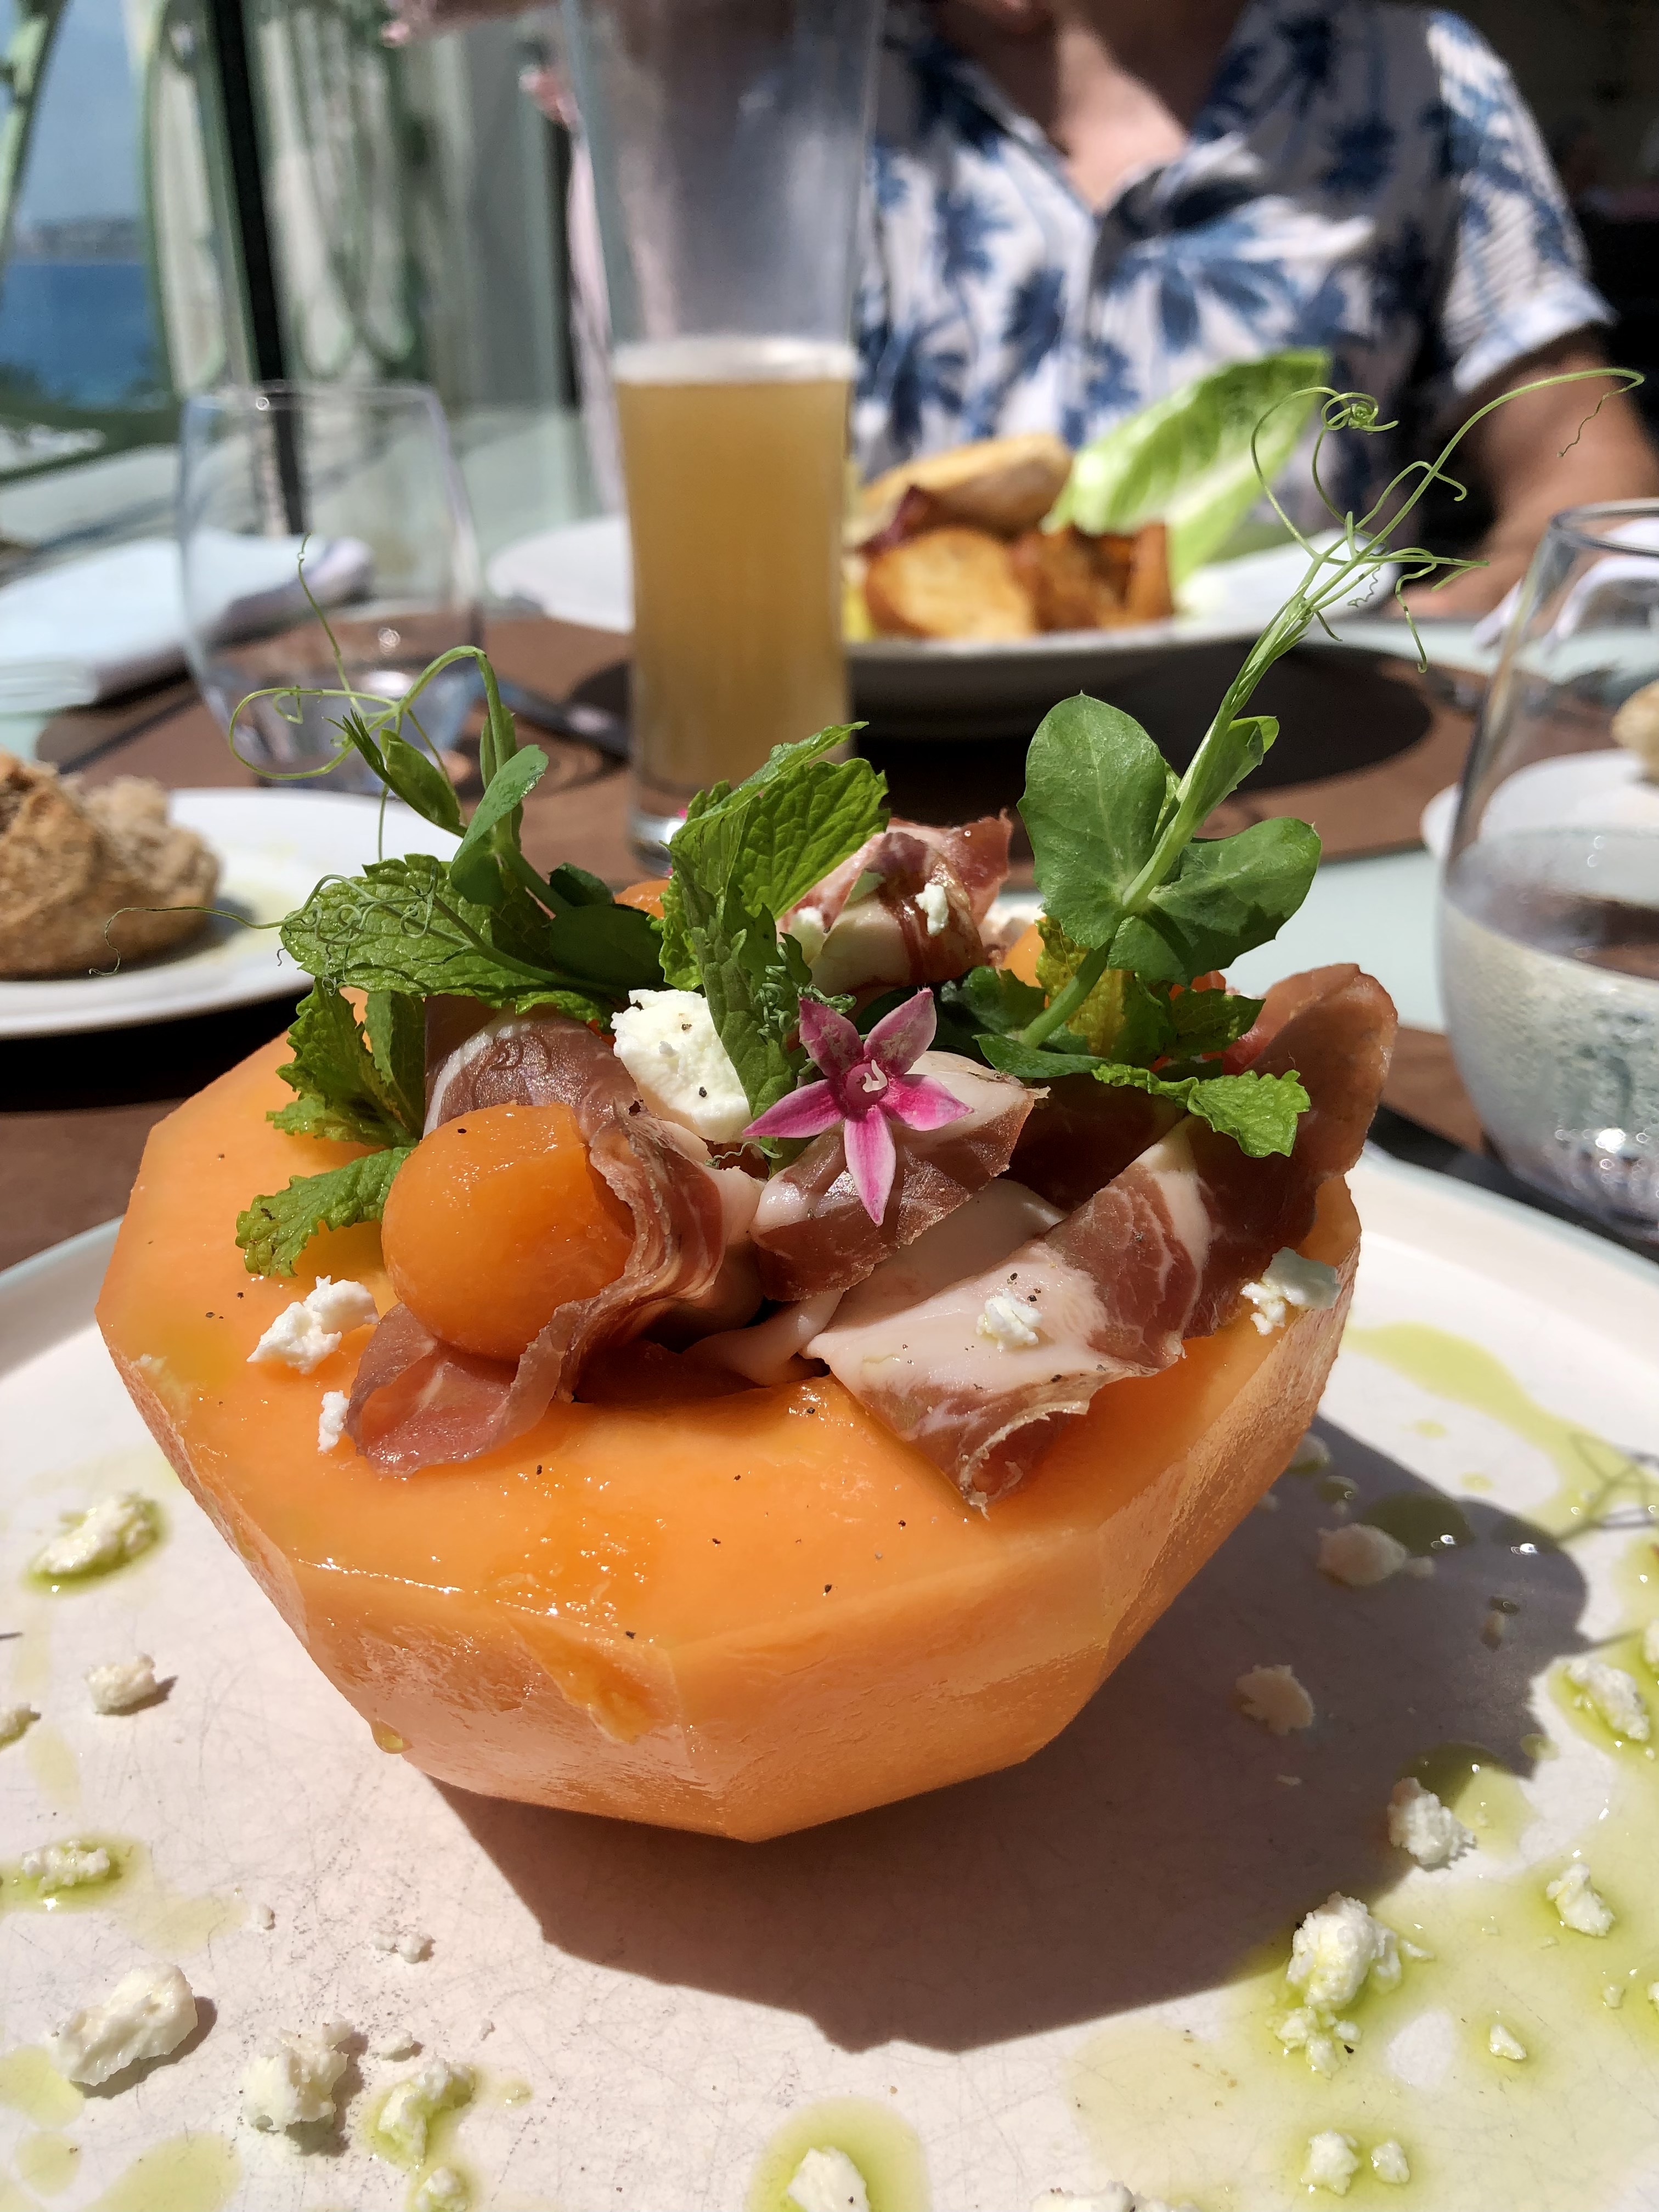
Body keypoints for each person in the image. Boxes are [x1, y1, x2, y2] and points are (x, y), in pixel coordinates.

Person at [856, 0, 1659, 611]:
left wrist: (1462, 618)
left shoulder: (1416, 76)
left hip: (1301, 754)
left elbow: (1585, 465)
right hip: (851, 758)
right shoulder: (815, 62)